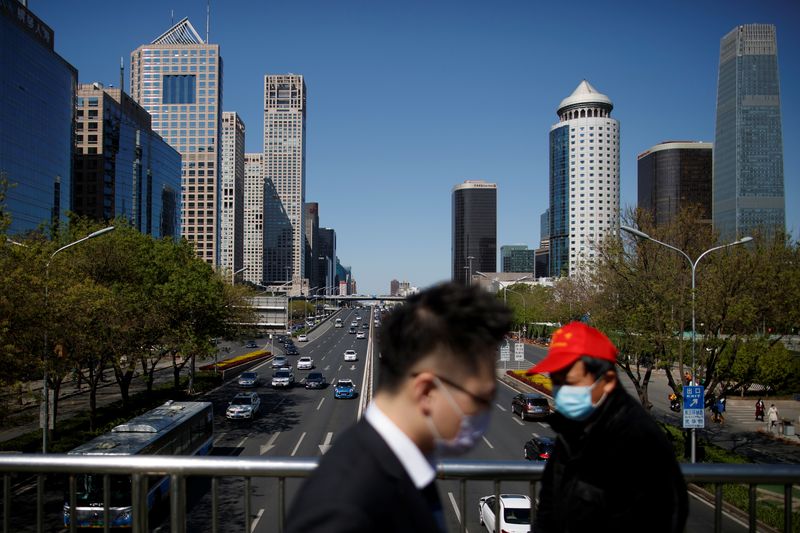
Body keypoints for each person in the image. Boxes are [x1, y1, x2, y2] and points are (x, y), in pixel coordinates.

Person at [285, 283, 511, 533]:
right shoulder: (345, 511)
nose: (487, 412)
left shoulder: (404, 468)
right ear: (426, 392)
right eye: (482, 398)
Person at [528, 321, 688, 533]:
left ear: (608, 381)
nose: (560, 390)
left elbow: (660, 518)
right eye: (556, 381)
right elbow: (548, 506)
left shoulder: (638, 441)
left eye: (570, 382)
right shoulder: (571, 431)